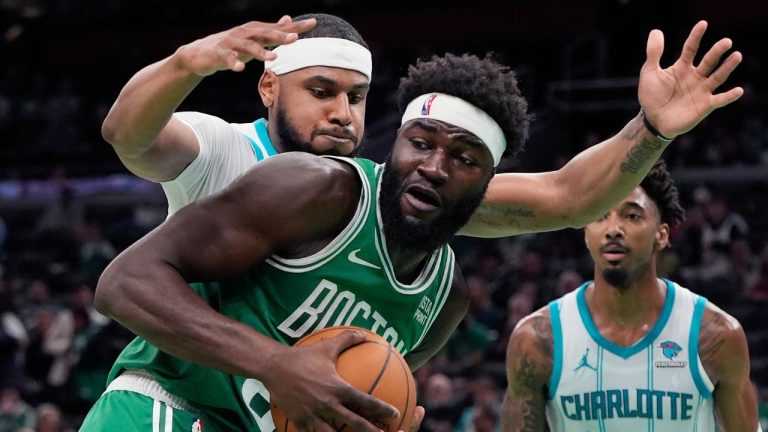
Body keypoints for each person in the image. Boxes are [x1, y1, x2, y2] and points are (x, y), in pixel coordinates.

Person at [81, 52, 528, 432]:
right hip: (170, 409)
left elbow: (327, 401)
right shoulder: (317, 188)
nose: (433, 166)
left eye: (464, 158)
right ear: (395, 146)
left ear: (487, 183)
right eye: (420, 143)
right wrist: (276, 364)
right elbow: (124, 284)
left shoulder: (445, 299)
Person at [103, 15, 742, 242]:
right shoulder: (222, 148)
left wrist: (651, 130)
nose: (341, 113)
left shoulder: (386, 192)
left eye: (356, 97)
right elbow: (128, 136)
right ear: (269, 87)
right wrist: (186, 64)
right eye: (320, 92)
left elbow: (567, 198)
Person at [500, 160, 759, 432]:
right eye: (601, 216)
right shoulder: (537, 339)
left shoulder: (717, 335)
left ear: (661, 236)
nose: (613, 229)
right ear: (586, 233)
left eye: (632, 216)